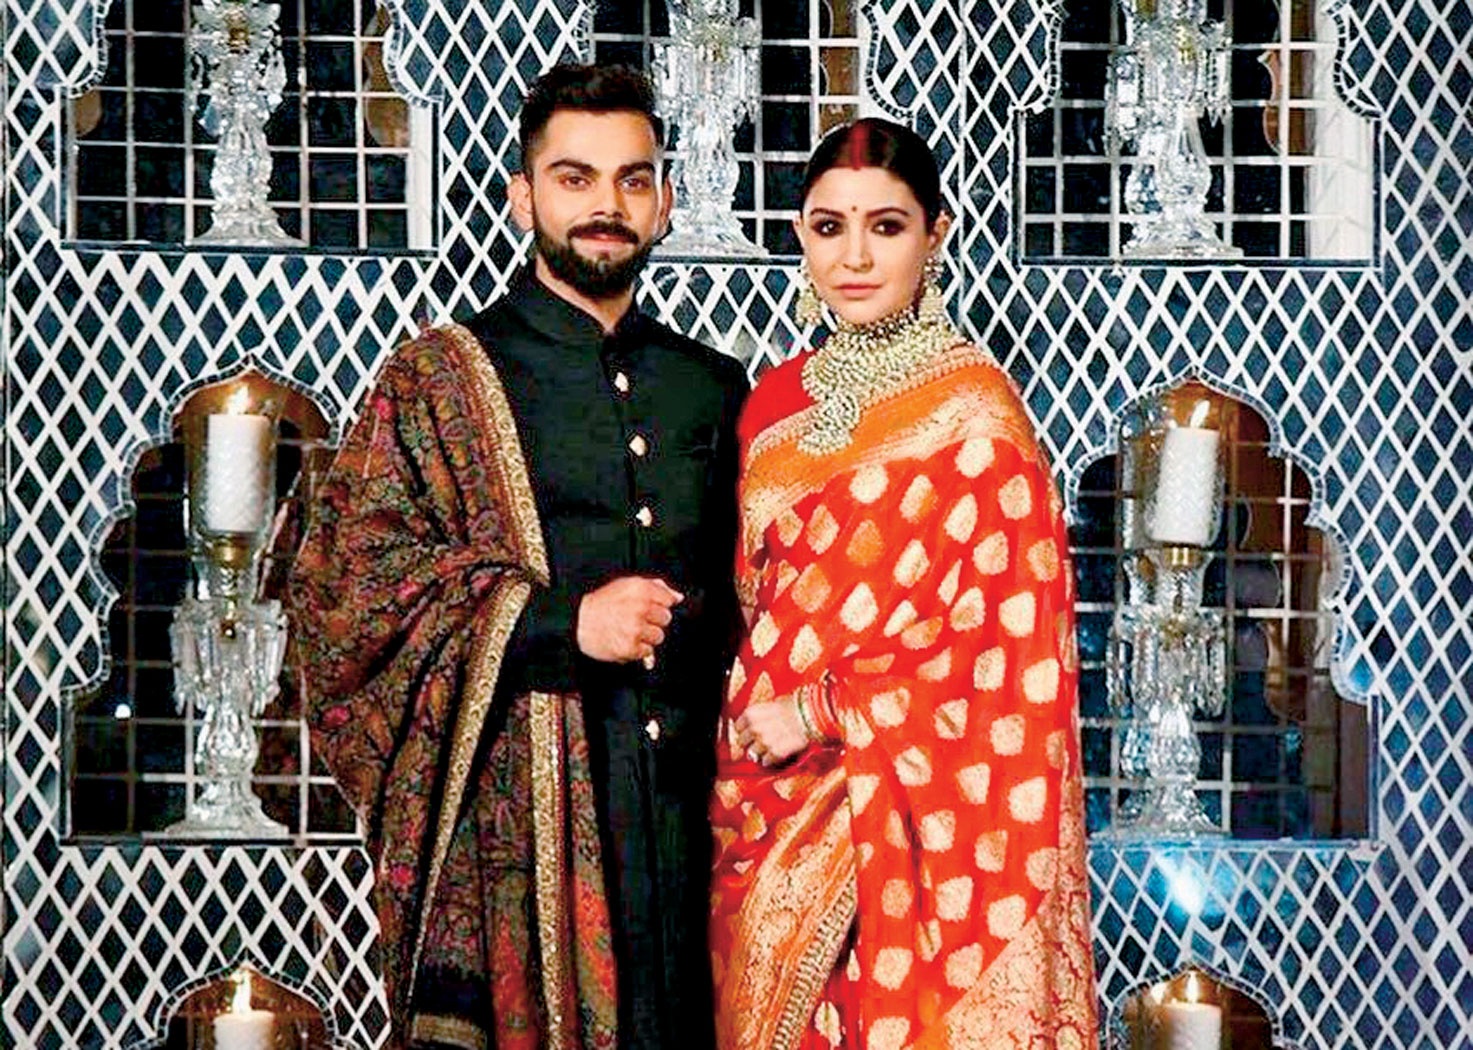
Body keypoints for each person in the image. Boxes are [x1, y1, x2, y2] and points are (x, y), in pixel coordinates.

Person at [287, 64, 747, 1050]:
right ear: (522, 197)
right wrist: (560, 623)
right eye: (574, 178)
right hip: (521, 844)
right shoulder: (441, 377)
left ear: (665, 203)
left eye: (631, 180)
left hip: (700, 831)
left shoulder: (712, 386)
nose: (605, 206)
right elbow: (345, 596)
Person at [708, 118, 1098, 1050]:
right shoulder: (769, 404)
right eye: (827, 227)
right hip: (763, 790)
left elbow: (1004, 652)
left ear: (935, 233)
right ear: (799, 236)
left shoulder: (978, 416)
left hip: (912, 803)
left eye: (885, 227)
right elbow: (752, 606)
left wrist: (822, 708)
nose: (853, 257)